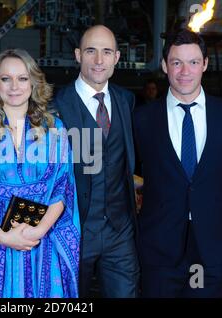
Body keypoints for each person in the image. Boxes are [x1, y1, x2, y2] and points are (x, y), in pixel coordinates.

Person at [133, 29, 222, 298]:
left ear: (205, 65)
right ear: (165, 66)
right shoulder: (142, 118)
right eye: (176, 62)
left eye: (193, 62)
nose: (184, 71)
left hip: (211, 246)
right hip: (158, 249)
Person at [0, 48, 80, 298]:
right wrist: (2, 236)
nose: (14, 87)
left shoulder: (55, 128)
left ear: (33, 82)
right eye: (5, 78)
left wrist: (38, 231)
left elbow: (63, 187)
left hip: (40, 241)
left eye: (22, 78)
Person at [52, 25, 139, 298]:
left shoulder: (127, 101)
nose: (99, 60)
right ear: (78, 55)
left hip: (120, 232)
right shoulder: (55, 106)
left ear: (117, 57)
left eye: (106, 52)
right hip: (72, 229)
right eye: (91, 51)